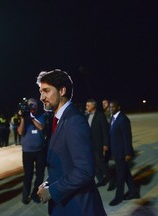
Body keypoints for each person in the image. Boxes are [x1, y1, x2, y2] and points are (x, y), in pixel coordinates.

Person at [36, 69, 106, 216]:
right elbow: (64, 164)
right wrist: (49, 182)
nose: (42, 97)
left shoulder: (73, 120)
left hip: (78, 207)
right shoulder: (58, 120)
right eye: (41, 91)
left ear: (62, 90)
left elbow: (84, 171)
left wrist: (52, 191)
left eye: (46, 91)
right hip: (65, 204)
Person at [108, 100, 139, 206]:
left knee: (120, 175)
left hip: (122, 153)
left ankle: (118, 197)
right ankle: (134, 192)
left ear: (118, 107)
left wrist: (128, 153)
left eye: (113, 107)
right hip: (116, 152)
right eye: (110, 107)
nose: (111, 109)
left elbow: (127, 138)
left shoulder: (123, 119)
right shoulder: (113, 118)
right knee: (125, 173)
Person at [17, 98, 46, 204]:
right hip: (27, 152)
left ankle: (35, 194)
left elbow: (41, 127)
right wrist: (24, 118)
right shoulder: (24, 118)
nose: (32, 107)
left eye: (34, 105)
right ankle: (25, 196)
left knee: (40, 174)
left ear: (37, 106)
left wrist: (32, 117)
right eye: (30, 105)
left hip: (39, 151)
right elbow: (20, 132)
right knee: (28, 175)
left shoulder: (41, 116)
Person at [85, 98, 110, 187]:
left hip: (98, 144)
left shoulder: (100, 115)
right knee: (93, 164)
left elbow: (105, 130)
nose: (86, 107)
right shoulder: (87, 115)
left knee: (101, 163)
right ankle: (101, 179)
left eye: (88, 105)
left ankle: (111, 179)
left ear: (93, 106)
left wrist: (106, 144)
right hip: (89, 144)